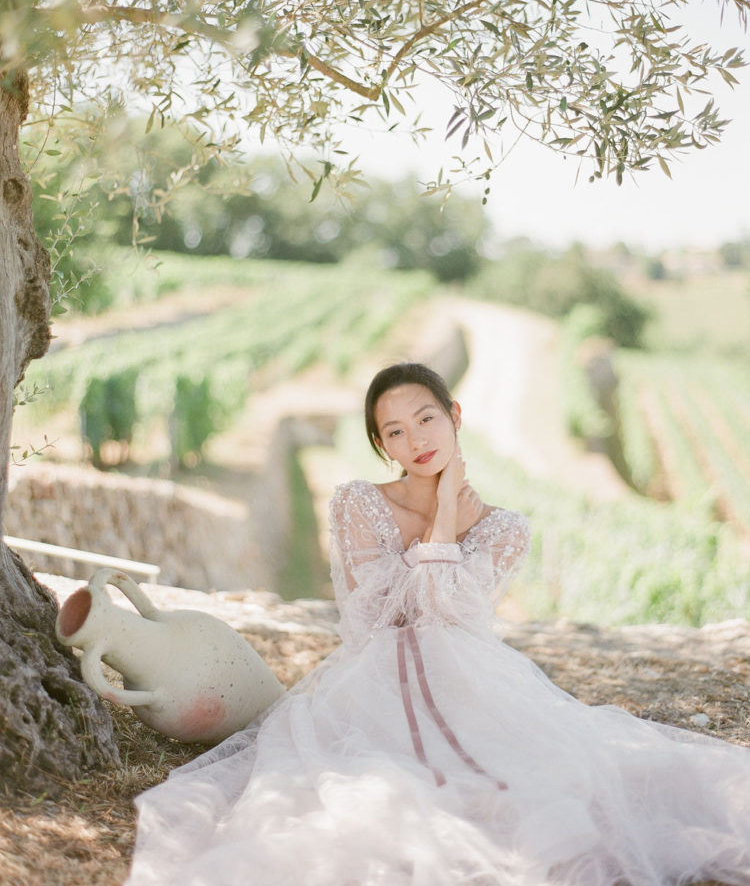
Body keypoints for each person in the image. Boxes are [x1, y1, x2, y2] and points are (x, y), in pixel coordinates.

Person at [126, 362, 750, 886]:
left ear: (454, 414)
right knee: (378, 796)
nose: (415, 440)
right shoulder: (357, 501)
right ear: (382, 446)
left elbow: (447, 613)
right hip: (369, 680)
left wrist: (445, 516)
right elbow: (375, 618)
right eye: (394, 432)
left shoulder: (506, 528)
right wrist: (445, 515)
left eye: (425, 419)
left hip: (471, 678)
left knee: (542, 786)